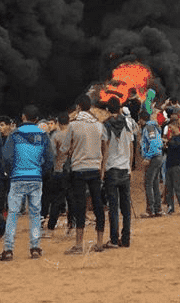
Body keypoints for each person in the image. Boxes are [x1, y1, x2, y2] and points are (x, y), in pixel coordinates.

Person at [0, 106, 53, 261]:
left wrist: (11, 172)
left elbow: (7, 157)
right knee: (35, 214)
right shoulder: (43, 135)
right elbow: (50, 159)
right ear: (36, 119)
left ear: (23, 117)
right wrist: (40, 172)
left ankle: (8, 250)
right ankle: (35, 248)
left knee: (13, 214)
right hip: (36, 178)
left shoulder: (14, 134)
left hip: (17, 178)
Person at [58, 95, 109, 254]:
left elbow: (64, 149)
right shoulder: (99, 125)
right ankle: (99, 243)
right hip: (95, 169)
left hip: (79, 169)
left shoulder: (73, 125)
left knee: (80, 206)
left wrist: (72, 149)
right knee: (98, 204)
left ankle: (79, 245)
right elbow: (105, 145)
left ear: (79, 107)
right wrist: (102, 167)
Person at [103, 98, 135, 247]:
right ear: (120, 108)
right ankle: (126, 238)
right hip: (125, 169)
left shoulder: (106, 125)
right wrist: (130, 166)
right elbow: (131, 147)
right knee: (126, 207)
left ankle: (114, 239)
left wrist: (102, 168)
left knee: (113, 207)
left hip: (111, 168)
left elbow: (105, 148)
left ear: (108, 110)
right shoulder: (129, 123)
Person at [140, 110, 165, 217]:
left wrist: (148, 157)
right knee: (155, 183)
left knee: (148, 183)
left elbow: (154, 143)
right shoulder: (153, 127)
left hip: (154, 157)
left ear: (142, 119)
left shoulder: (149, 127)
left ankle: (150, 209)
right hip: (158, 156)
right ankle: (157, 209)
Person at [165, 119, 180, 214]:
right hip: (169, 164)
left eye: (171, 126)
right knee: (169, 187)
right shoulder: (172, 138)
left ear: (175, 126)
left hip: (177, 164)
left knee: (177, 187)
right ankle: (170, 207)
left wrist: (167, 142)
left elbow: (176, 145)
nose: (170, 129)